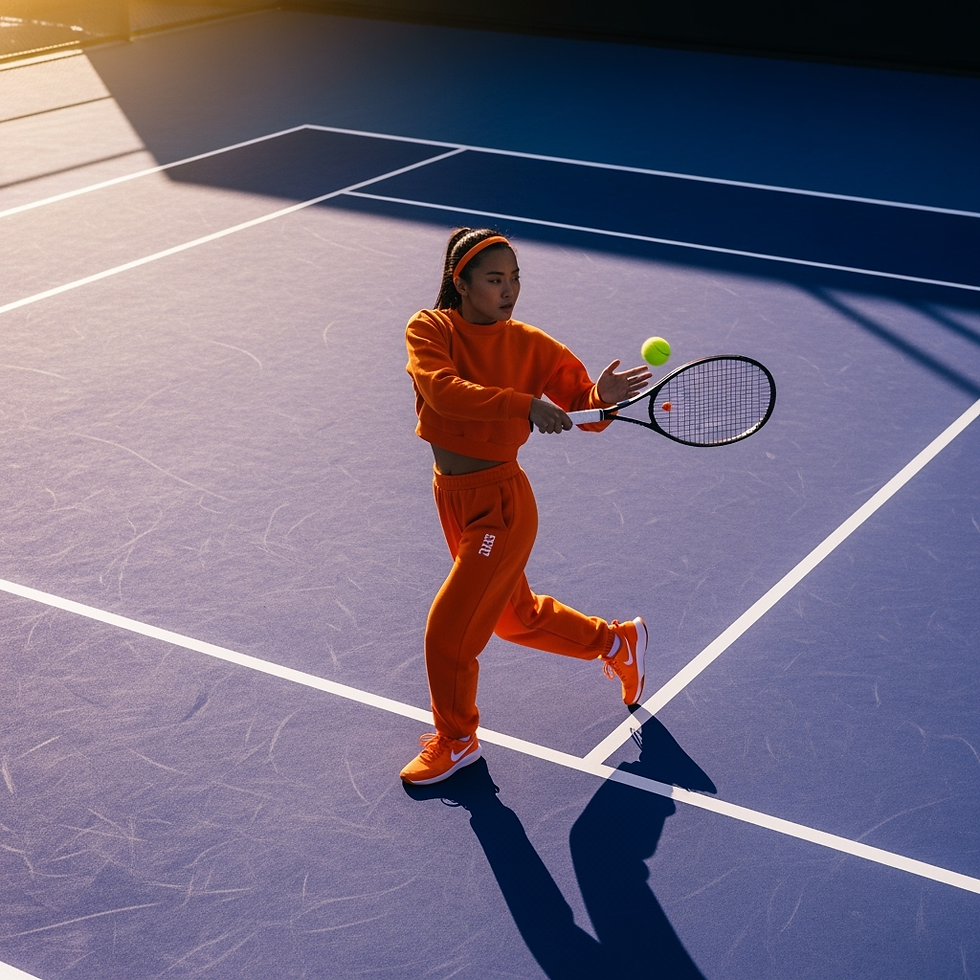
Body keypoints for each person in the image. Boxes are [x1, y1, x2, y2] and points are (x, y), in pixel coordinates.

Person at [401, 227, 652, 785]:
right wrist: (523, 405)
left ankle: (457, 741)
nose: (509, 290)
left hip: (501, 507)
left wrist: (602, 400)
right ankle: (617, 642)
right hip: (452, 498)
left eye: (515, 278)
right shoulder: (431, 328)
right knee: (516, 619)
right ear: (461, 283)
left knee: (448, 633)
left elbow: (583, 408)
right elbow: (441, 390)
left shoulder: (533, 345)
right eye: (495, 280)